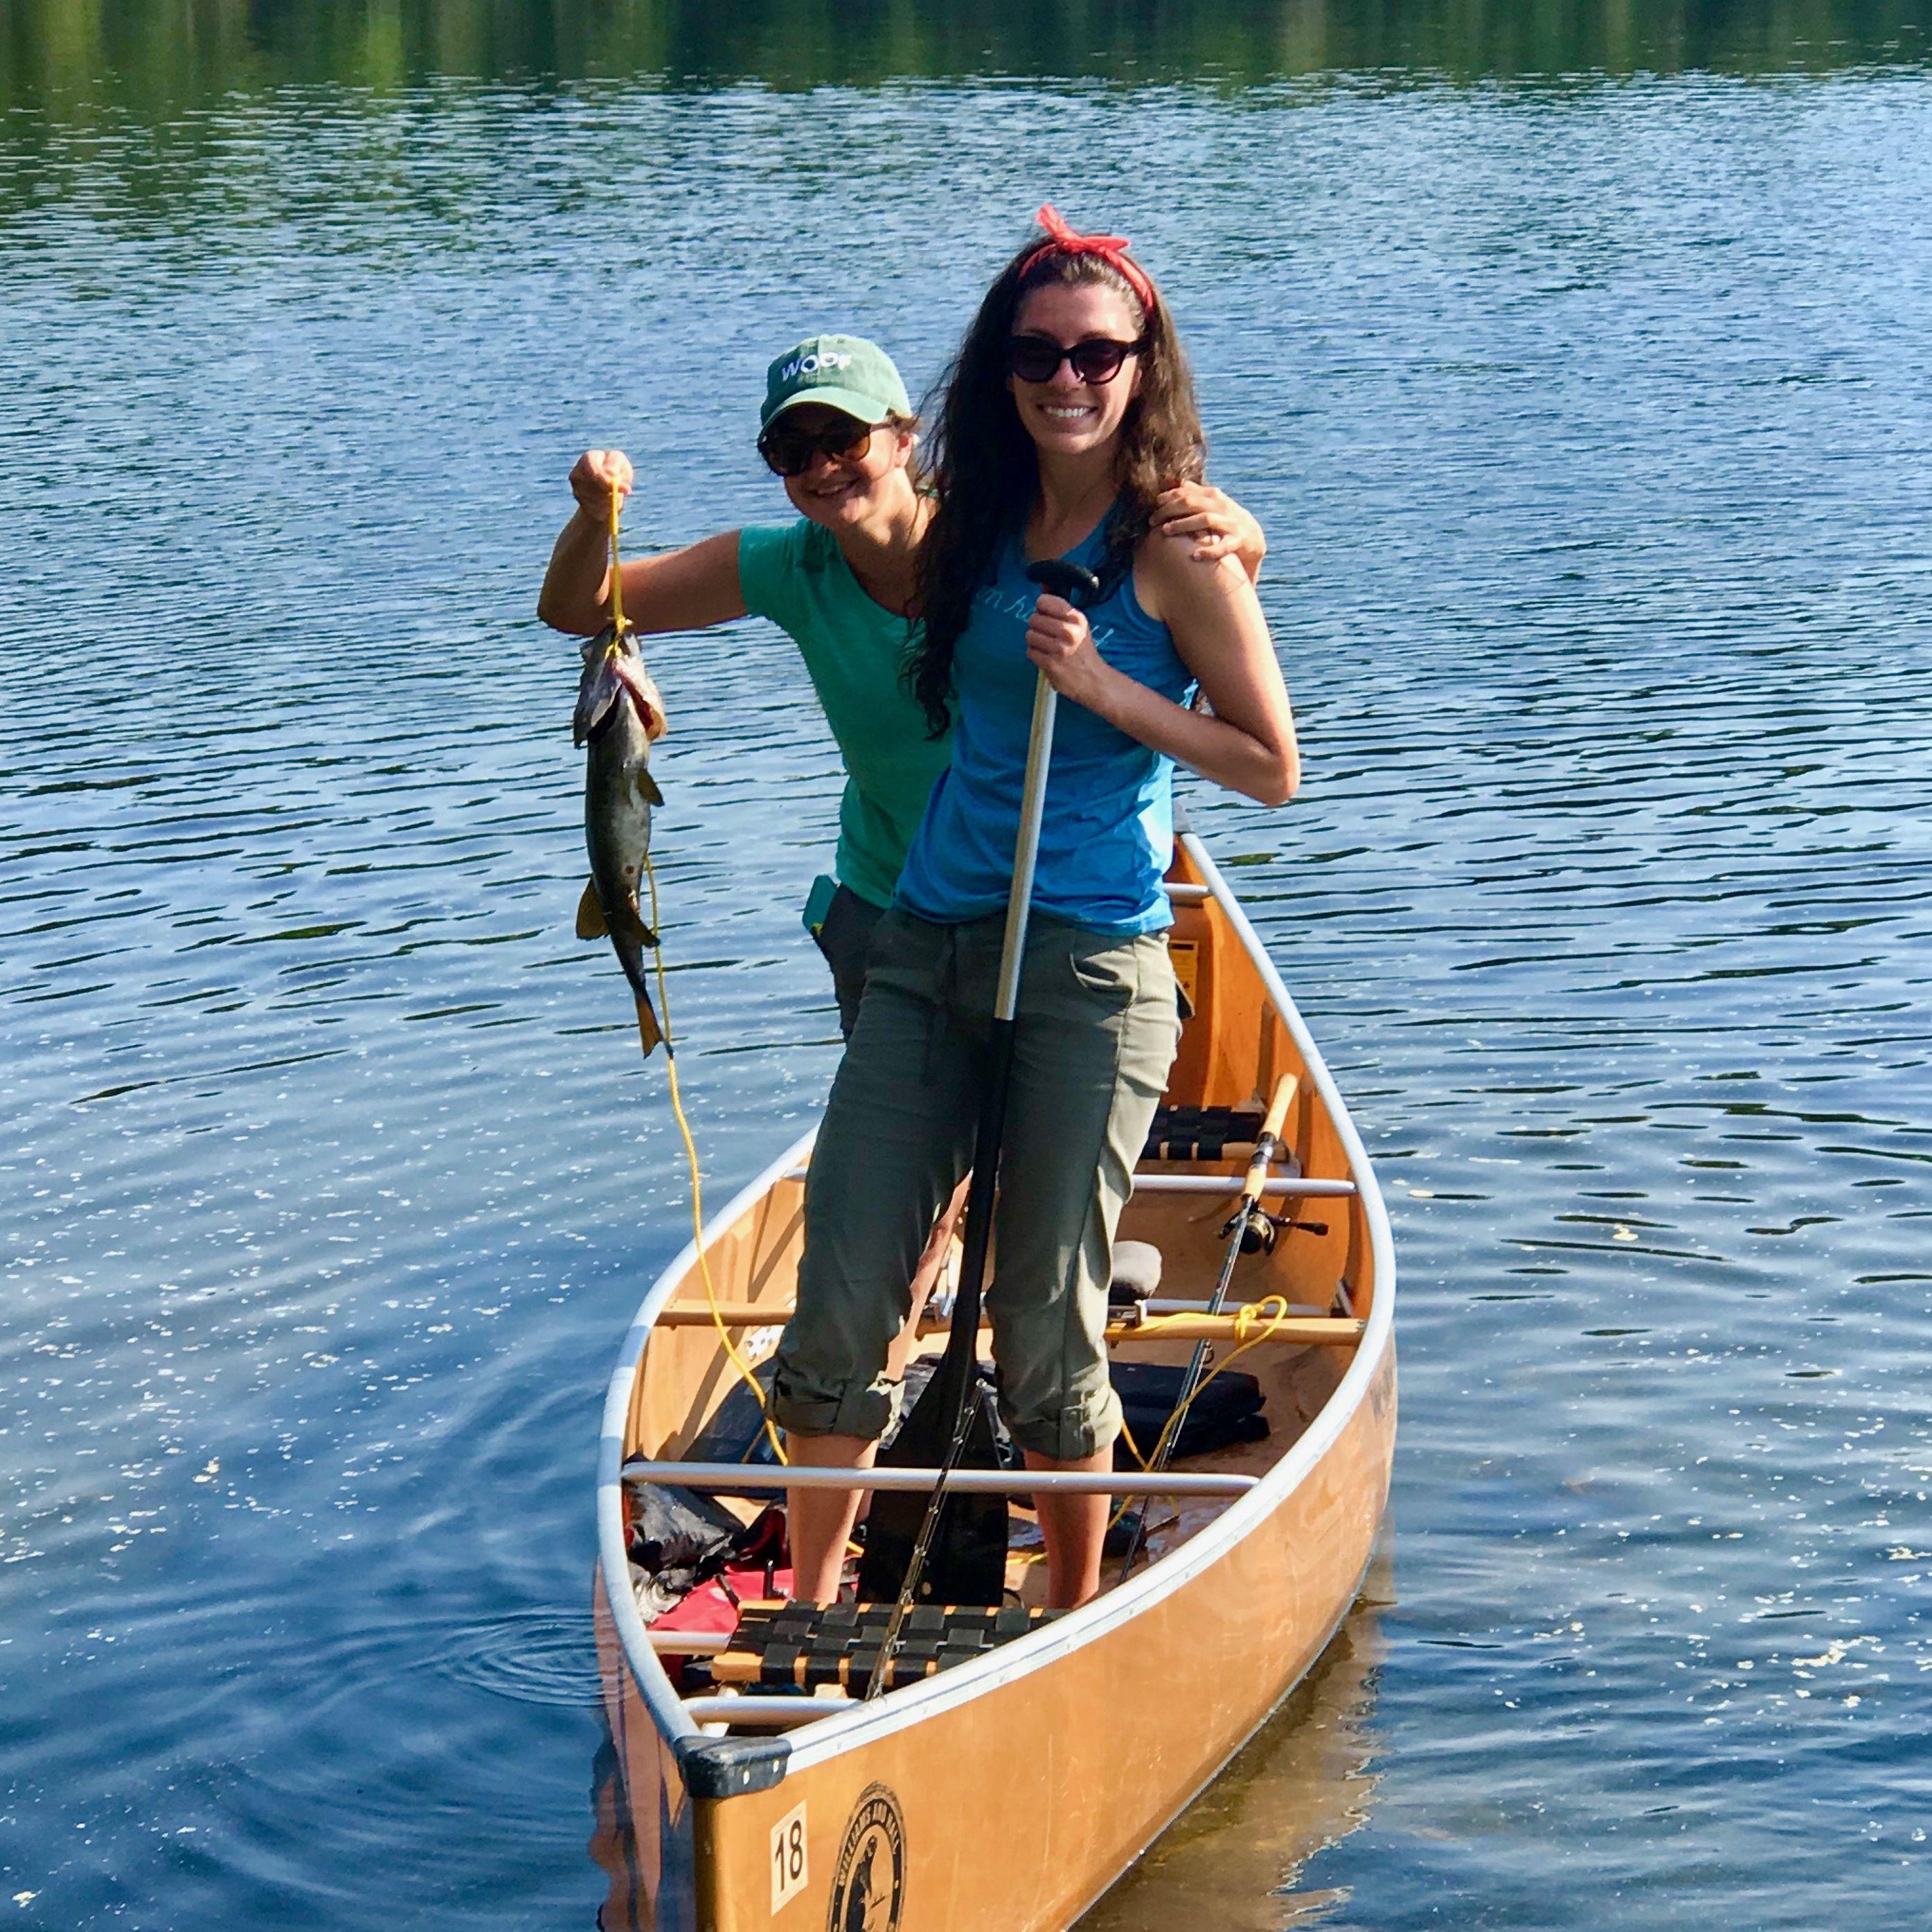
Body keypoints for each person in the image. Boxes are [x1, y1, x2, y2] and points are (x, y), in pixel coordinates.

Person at [538, 332, 1267, 1377]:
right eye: (793, 450)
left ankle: (1014, 1334)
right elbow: (578, 608)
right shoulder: (788, 567)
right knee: (910, 1193)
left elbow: (1157, 576)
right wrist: (591, 515)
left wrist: (1241, 542)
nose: (823, 466)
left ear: (905, 437)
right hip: (889, 911)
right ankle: (902, 1363)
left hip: (1057, 909)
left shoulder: (997, 539)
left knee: (1031, 1191)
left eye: (844, 438)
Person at [772, 208, 1300, 1611]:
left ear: (1141, 364)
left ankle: (1070, 1619)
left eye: (1096, 353)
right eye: (1035, 353)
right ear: (999, 368)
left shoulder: (1177, 546)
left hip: (1089, 966)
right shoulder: (973, 523)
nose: (1066, 377)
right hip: (924, 947)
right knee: (843, 1287)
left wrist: (1111, 688)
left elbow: (1272, 765)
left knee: (1044, 1320)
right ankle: (808, 1611)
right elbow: (846, 520)